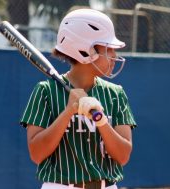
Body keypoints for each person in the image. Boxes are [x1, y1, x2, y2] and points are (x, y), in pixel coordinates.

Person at [20, 8, 136, 189]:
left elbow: (123, 156)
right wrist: (68, 112)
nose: (114, 56)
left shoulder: (115, 94)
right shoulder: (46, 91)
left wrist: (101, 120)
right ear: (86, 50)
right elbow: (36, 154)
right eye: (109, 48)